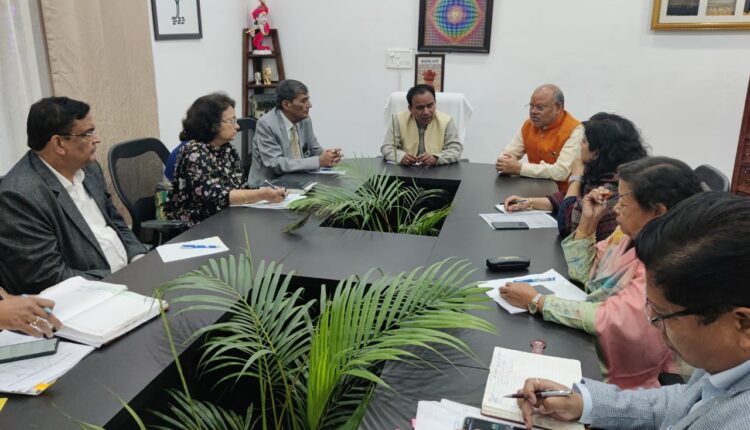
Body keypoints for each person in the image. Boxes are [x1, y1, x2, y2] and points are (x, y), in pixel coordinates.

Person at [514, 192, 750, 430]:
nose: (651, 321)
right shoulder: (727, 360)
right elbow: (687, 402)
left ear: (743, 324)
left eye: (661, 314)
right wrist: (584, 404)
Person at [501, 157, 703, 389]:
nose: (615, 208)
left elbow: (615, 319)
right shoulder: (626, 235)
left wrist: (538, 301)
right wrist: (588, 222)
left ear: (657, 211)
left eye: (623, 202)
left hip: (620, 378)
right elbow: (585, 274)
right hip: (592, 342)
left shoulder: (668, 263)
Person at [0, 97, 149, 295]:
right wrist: (119, 281)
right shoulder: (20, 196)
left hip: (132, 277)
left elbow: (115, 221)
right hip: (94, 295)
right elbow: (46, 276)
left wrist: (139, 258)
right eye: (88, 133)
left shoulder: (90, 169)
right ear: (59, 143)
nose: (96, 139)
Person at [503, 113, 648, 241]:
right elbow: (570, 197)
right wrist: (529, 202)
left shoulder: (611, 190)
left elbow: (566, 224)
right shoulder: (603, 174)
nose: (580, 145)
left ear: (596, 153)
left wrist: (576, 177)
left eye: (584, 141)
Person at [166, 93, 286, 227]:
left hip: (229, 217)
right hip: (198, 226)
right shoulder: (194, 153)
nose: (237, 126)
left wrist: (269, 191)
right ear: (212, 124)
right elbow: (216, 197)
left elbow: (240, 187)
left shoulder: (227, 149)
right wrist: (261, 194)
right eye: (231, 121)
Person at [247, 79, 342, 186]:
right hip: (269, 185)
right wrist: (318, 161)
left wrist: (328, 156)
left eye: (308, 99)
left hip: (299, 180)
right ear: (286, 104)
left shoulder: (305, 120)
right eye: (303, 101)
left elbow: (314, 149)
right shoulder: (266, 124)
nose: (309, 105)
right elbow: (275, 164)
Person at [496, 84, 583, 192]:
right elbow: (508, 154)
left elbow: (561, 172)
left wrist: (519, 168)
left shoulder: (575, 130)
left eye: (539, 107)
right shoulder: (529, 125)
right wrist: (504, 162)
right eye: (531, 106)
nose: (533, 112)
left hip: (561, 194)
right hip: (531, 188)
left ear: (558, 107)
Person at [380, 84, 463, 166]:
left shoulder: (447, 121)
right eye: (420, 108)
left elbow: (456, 149)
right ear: (410, 109)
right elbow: (387, 147)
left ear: (435, 103)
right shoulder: (398, 120)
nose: (426, 112)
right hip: (406, 170)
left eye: (430, 105)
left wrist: (436, 158)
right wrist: (401, 157)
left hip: (437, 170)